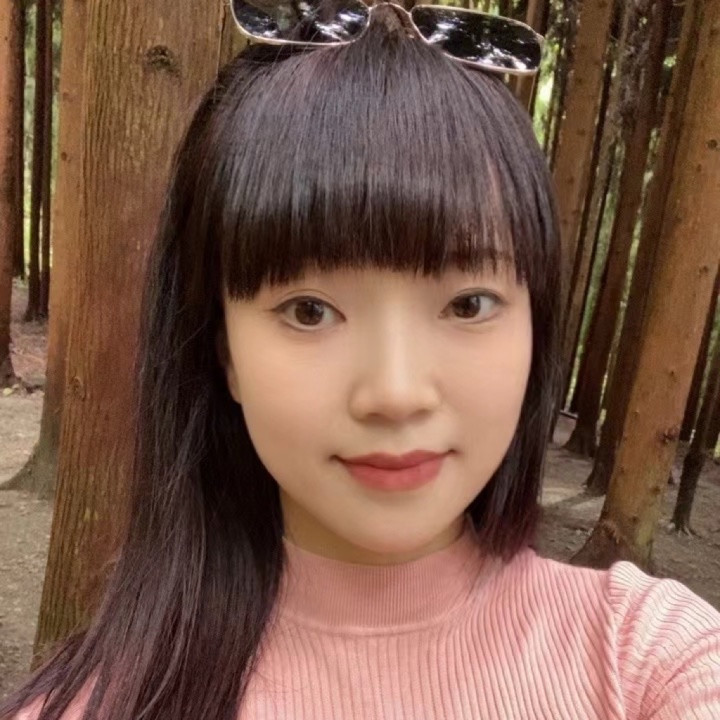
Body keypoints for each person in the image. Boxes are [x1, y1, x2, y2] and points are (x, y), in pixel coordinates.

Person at [3, 1, 720, 718]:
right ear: (223, 350)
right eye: (309, 311)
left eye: (468, 304)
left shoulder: (648, 659)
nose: (395, 393)